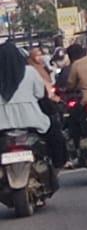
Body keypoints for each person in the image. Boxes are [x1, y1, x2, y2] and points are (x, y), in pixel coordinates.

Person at [0, 40, 66, 168]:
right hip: (33, 122)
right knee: (55, 131)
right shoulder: (29, 72)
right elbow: (40, 94)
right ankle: (58, 164)